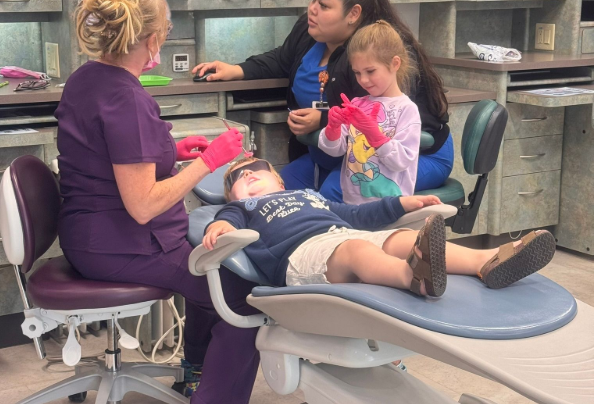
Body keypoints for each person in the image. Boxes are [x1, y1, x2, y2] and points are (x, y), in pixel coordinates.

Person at [55, 0, 260, 404]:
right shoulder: (125, 99)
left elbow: (118, 159)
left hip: (92, 234)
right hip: (122, 243)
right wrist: (211, 159)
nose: (163, 43)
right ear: (149, 40)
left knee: (209, 262)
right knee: (243, 292)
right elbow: (143, 205)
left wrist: (175, 153)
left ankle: (196, 373)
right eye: (164, 34)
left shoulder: (87, 78)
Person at [192, 0, 451, 199]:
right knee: (281, 188)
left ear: (353, 14)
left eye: (324, 5)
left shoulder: (371, 56)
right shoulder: (310, 31)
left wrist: (323, 119)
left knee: (332, 194)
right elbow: (282, 59)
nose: (312, 10)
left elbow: (373, 119)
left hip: (413, 155)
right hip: (343, 153)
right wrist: (236, 70)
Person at [203, 157, 557, 298]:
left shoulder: (310, 196)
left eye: (255, 168)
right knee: (359, 252)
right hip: (303, 255)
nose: (246, 175)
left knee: (400, 238)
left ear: (278, 179)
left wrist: (403, 203)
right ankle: (413, 279)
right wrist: (220, 225)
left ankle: (487, 260)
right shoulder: (242, 207)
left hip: (341, 234)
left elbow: (356, 215)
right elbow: (227, 221)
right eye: (236, 176)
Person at [318, 20, 421, 203]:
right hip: (352, 202)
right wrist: (332, 129)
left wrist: (375, 136)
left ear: (395, 63)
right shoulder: (357, 104)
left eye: (370, 71)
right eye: (357, 73)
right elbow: (334, 150)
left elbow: (402, 161)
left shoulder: (407, 109)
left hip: (392, 205)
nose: (363, 80)